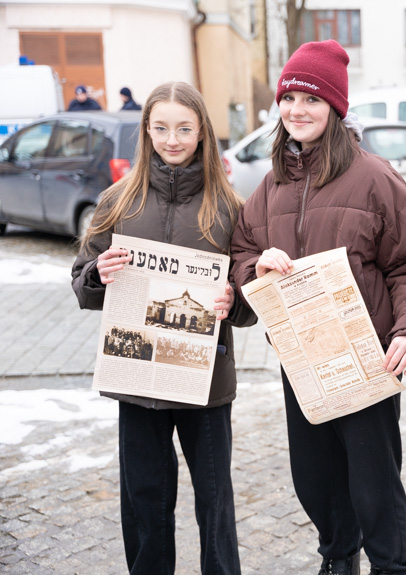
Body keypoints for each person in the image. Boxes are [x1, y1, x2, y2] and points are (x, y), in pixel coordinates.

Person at [229, 40, 406, 575]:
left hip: (366, 359)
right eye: (289, 98)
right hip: (302, 361)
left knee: (373, 482)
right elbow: (241, 252)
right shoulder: (271, 185)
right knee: (316, 477)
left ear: (335, 107)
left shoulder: (374, 177)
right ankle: (338, 559)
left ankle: (391, 565)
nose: (297, 110)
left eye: (312, 99)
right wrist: (255, 268)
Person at [71, 81, 253, 575]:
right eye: (161, 128)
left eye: (184, 128)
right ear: (146, 131)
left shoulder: (230, 208)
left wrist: (234, 300)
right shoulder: (118, 201)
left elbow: (251, 298)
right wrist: (97, 275)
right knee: (145, 505)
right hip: (136, 384)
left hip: (206, 386)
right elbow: (81, 279)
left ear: (202, 132)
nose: (172, 139)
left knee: (215, 507)